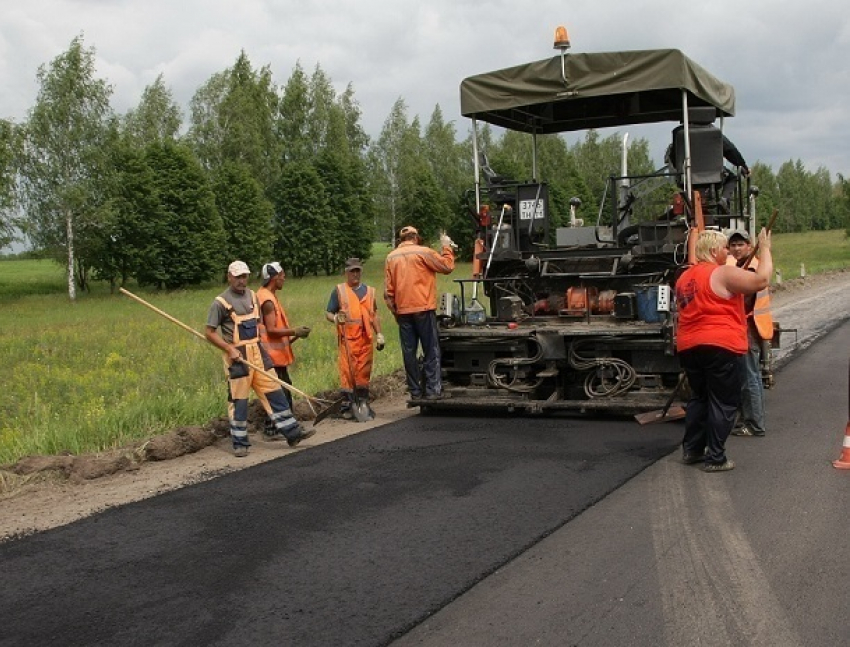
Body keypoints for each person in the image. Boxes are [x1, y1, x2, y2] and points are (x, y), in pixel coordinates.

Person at [675, 229, 772, 472]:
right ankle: (716, 457)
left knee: (700, 398)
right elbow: (761, 281)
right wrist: (766, 248)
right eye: (723, 248)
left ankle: (693, 450)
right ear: (712, 251)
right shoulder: (722, 273)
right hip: (720, 344)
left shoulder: (684, 278)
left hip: (688, 345)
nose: (727, 252)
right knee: (724, 402)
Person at [205, 260, 315, 457]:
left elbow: (267, 327)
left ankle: (292, 433)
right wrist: (229, 348)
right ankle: (240, 443)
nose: (241, 280)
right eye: (237, 277)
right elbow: (209, 333)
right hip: (238, 357)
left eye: (244, 276)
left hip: (258, 351)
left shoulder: (253, 297)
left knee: (274, 392)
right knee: (239, 400)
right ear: (229, 277)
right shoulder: (220, 303)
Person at [384, 226, 455, 400]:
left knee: (409, 352)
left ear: (402, 239)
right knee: (431, 350)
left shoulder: (391, 257)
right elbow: (447, 266)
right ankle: (432, 391)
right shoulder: (424, 252)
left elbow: (388, 293)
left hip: (403, 312)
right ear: (415, 237)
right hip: (423, 309)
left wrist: (396, 313)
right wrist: (446, 247)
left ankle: (415, 392)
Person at [726, 230, 772, 437]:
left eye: (740, 244)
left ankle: (754, 424)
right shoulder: (738, 267)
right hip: (740, 328)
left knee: (749, 377)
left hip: (748, 328)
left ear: (749, 245)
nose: (736, 249)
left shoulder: (752, 267)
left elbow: (743, 296)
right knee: (744, 376)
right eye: (733, 245)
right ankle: (746, 419)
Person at [325, 258, 384, 419]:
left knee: (363, 374)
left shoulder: (370, 292)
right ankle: (349, 404)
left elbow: (374, 315)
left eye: (358, 271)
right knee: (348, 374)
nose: (355, 274)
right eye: (352, 271)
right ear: (346, 273)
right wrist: (336, 318)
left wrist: (379, 334)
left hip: (365, 341)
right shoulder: (339, 291)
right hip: (348, 341)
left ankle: (362, 402)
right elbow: (328, 313)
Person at [257, 262, 311, 412]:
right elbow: (272, 330)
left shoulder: (267, 295)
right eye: (282, 275)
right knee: (279, 395)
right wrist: (295, 331)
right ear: (274, 278)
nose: (284, 278)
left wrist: (294, 335)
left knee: (282, 392)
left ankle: (283, 426)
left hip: (274, 356)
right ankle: (276, 428)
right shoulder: (267, 300)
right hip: (271, 358)